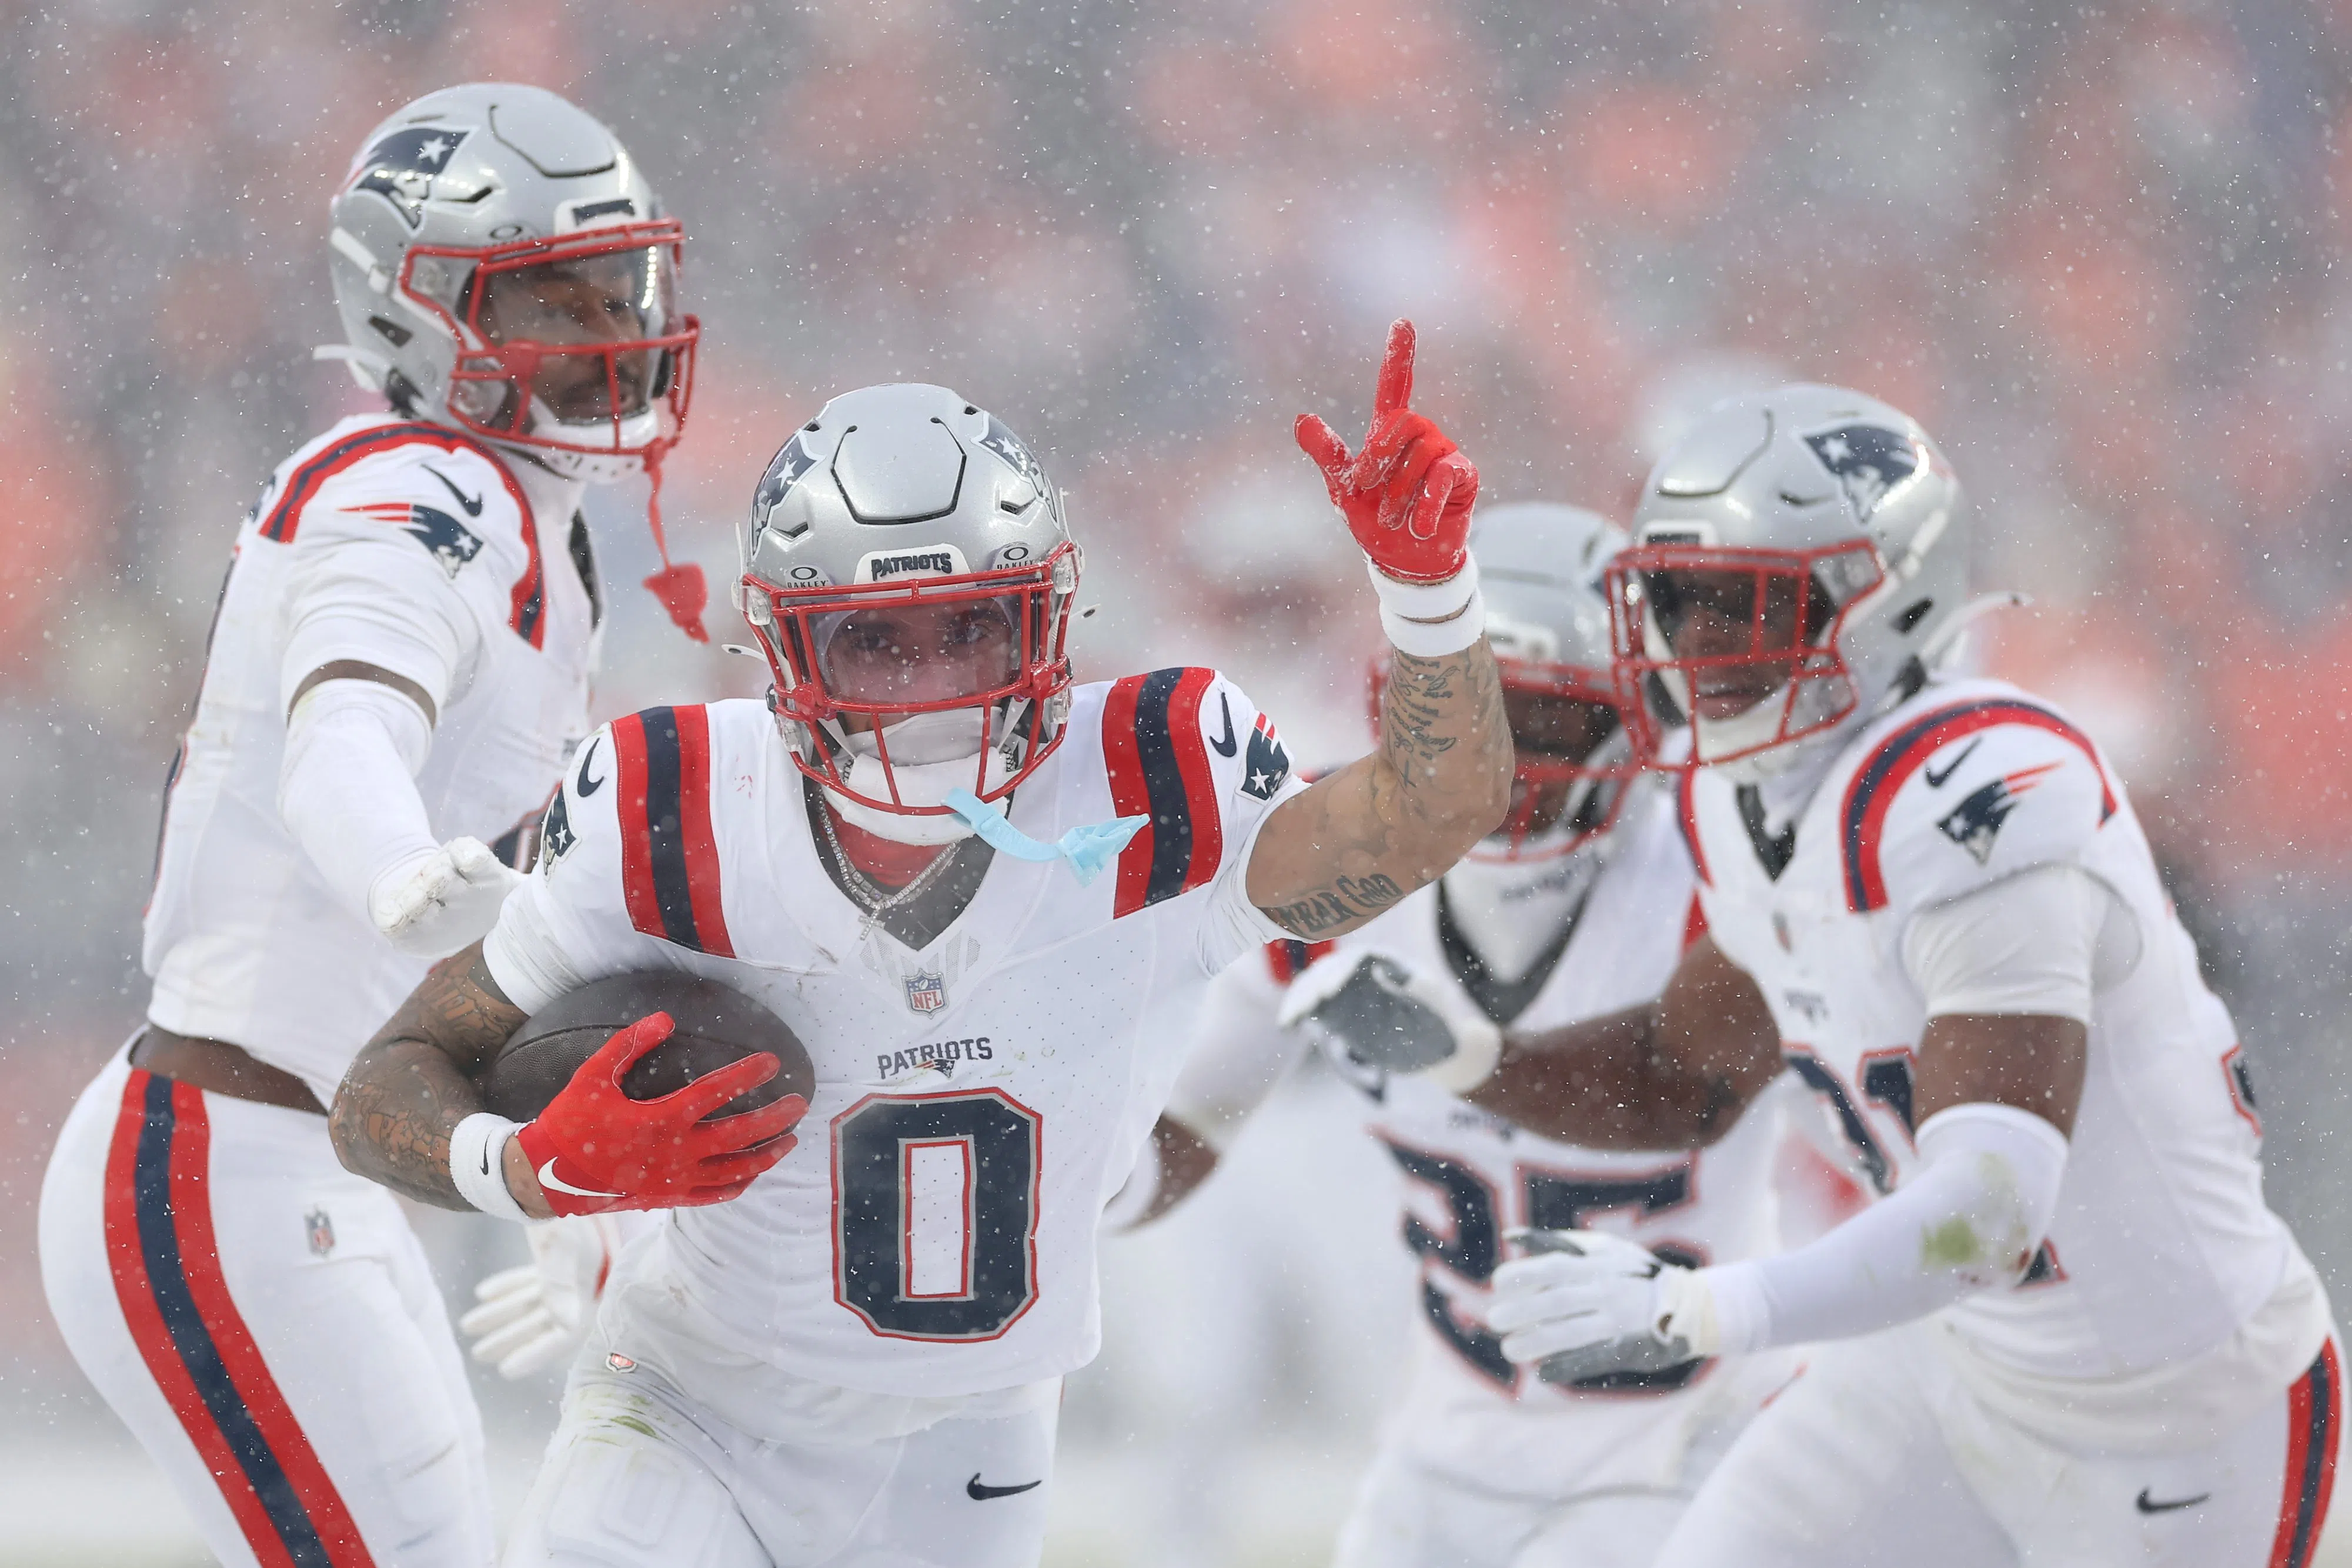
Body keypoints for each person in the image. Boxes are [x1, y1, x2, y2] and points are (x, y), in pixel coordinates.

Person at [325, 322, 1515, 1567]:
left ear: (1044, 620)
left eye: (970, 628)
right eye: (874, 640)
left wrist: (1429, 598)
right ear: (783, 647)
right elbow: (384, 1085)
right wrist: (527, 1169)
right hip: (691, 1404)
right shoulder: (669, 806)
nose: (932, 683)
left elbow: (1428, 811)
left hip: (973, 1445)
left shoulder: (1157, 774)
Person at [1462, 386, 2338, 1566]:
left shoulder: (1983, 797)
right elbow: (1678, 1070)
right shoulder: (1744, 801)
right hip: (1952, 1364)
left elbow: (1985, 1210)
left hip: (2174, 1411)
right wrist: (1447, 1049)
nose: (1699, 649)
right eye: (1674, 603)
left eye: (1741, 606)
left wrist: (1695, 1309)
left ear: (1886, 593)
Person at [37, 82, 701, 1567]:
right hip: (226, 1155)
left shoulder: (536, 513)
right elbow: (343, 732)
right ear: (415, 312)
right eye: (550, 298)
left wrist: (539, 1155)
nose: (604, 333)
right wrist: (398, 865)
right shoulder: (417, 484)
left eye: (618, 288)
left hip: (332, 1157)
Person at [1125, 502, 1818, 1568]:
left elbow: (1668, 1092)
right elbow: (1191, 1120)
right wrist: (1055, 1192)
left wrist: (1456, 1056)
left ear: (1639, 726)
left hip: (1678, 1446)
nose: (1498, 774)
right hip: (1443, 1459)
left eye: (1542, 723)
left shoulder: (1714, 870)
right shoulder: (1330, 861)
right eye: (1468, 721)